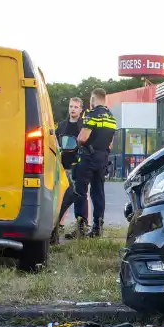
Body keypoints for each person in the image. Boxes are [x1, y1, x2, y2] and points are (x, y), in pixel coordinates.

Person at [66, 88, 116, 239]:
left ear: (93, 99)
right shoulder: (111, 117)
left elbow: (82, 138)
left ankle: (81, 227)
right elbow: (110, 144)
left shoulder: (92, 115)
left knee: (80, 191)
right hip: (103, 158)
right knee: (98, 192)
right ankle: (97, 227)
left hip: (88, 157)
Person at [53, 97, 86, 240]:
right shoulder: (61, 125)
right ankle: (59, 224)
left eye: (76, 107)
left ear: (80, 110)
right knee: (63, 194)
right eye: (71, 106)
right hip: (62, 165)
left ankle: (82, 224)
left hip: (78, 165)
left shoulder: (84, 126)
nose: (72, 109)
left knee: (80, 195)